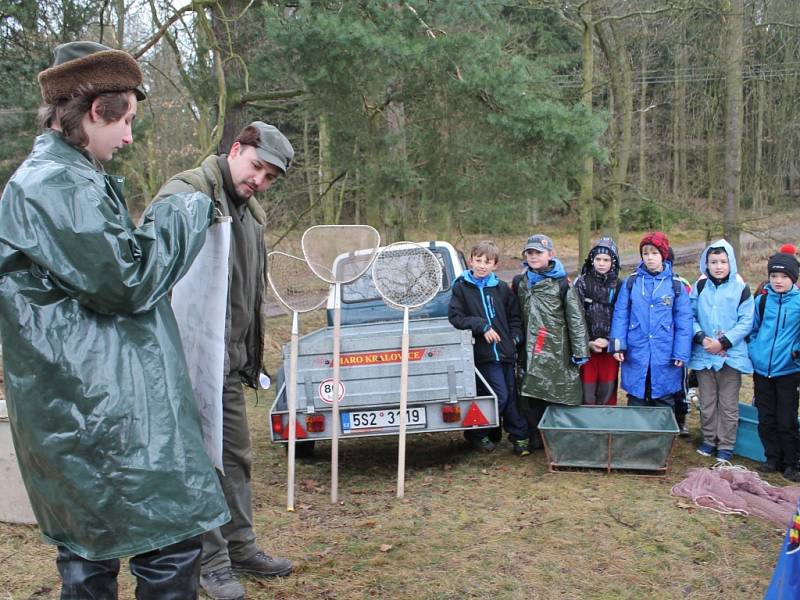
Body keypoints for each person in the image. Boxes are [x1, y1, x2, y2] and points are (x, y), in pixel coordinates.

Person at [0, 41, 229, 598]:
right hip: (102, 409)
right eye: (124, 120)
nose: (129, 137)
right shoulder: (55, 183)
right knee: (167, 543)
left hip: (81, 407)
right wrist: (185, 207)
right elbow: (126, 281)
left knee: (89, 548)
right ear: (96, 111)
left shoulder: (61, 177)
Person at [154, 121, 295, 600]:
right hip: (185, 364)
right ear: (236, 149)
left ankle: (240, 547)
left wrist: (250, 358)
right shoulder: (186, 195)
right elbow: (149, 271)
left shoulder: (251, 214)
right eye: (256, 167)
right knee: (202, 464)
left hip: (230, 364)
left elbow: (246, 294)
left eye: (270, 177)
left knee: (235, 458)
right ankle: (209, 563)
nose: (259, 181)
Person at [448, 240, 531, 455]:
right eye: (478, 261)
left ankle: (519, 437)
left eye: (488, 262)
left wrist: (514, 339)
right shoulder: (461, 287)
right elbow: (456, 317)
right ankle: (477, 433)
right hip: (483, 355)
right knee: (499, 396)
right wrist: (481, 326)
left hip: (506, 353)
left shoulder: (501, 288)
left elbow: (514, 318)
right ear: (470, 262)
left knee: (511, 396)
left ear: (495, 265)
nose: (482, 265)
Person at [512, 234, 589, 448]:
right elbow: (515, 313)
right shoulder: (520, 281)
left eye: (538, 253)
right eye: (530, 253)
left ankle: (560, 438)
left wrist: (580, 350)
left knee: (558, 393)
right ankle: (537, 437)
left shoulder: (562, 283)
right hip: (529, 348)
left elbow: (575, 318)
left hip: (557, 349)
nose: (534, 257)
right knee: (531, 394)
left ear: (550, 254)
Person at [610, 231, 693, 411]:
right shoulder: (632, 282)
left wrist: (681, 352)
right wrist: (617, 345)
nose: (649, 258)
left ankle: (663, 436)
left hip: (665, 352)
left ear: (663, 255)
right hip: (636, 350)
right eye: (645, 253)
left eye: (654, 253)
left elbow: (684, 321)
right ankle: (637, 436)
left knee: (663, 397)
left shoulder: (675, 284)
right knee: (637, 396)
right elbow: (621, 314)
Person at [687, 240, 754, 462]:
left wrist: (724, 341)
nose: (718, 266)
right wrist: (700, 337)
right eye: (713, 261)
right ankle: (708, 439)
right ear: (706, 263)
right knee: (707, 402)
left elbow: (746, 321)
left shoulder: (740, 288)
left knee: (728, 403)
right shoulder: (699, 287)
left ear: (731, 263)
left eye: (723, 261)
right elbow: (690, 315)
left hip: (730, 356)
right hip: (704, 354)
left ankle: (726, 444)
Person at [747, 252, 800, 482]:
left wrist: (795, 352)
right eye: (773, 275)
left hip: (788, 371)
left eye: (783, 276)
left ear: (793, 278)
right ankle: (772, 458)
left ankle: (791, 462)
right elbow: (753, 330)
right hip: (762, 370)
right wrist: (755, 350)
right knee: (766, 417)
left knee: (786, 419)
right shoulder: (762, 300)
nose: (777, 280)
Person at [573, 236, 622, 405]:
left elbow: (622, 317)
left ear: (613, 261)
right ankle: (587, 427)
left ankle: (606, 426)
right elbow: (575, 317)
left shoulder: (620, 285)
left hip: (610, 349)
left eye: (606, 259)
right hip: (587, 349)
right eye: (598, 259)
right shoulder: (582, 283)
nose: (601, 263)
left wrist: (611, 342)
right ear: (592, 260)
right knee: (587, 392)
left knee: (607, 390)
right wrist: (587, 342)